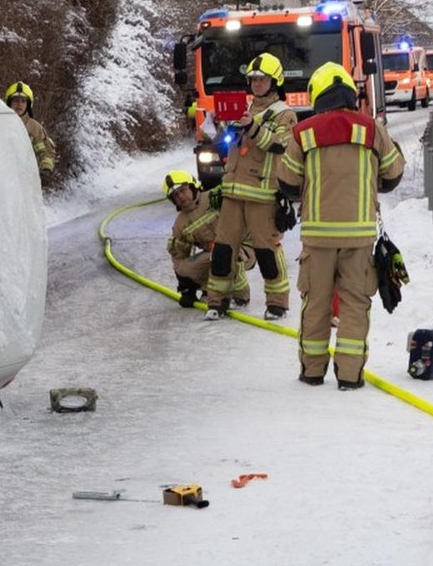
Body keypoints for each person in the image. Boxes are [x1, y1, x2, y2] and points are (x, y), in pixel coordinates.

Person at [277, 62, 405, 390]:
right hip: (359, 235)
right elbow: (392, 175)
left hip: (317, 236)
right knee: (355, 303)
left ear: (317, 95)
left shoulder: (302, 133)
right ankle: (349, 376)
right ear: (350, 92)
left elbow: (287, 182)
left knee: (316, 301)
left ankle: (312, 371)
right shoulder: (372, 129)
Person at [208, 53, 296, 321]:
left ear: (275, 81)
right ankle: (217, 301)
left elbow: (281, 145)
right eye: (253, 79)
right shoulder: (242, 111)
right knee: (223, 250)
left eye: (262, 79)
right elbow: (225, 144)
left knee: (266, 251)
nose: (257, 84)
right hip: (233, 192)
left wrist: (253, 128)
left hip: (263, 194)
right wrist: (218, 127)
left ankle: (277, 303)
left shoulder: (284, 114)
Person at [164, 170, 254, 311]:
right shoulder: (180, 225)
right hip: (214, 253)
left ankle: (240, 297)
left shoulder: (214, 197)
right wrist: (186, 289)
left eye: (183, 190)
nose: (181, 196)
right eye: (175, 195)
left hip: (244, 246)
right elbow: (178, 257)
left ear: (193, 186)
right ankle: (209, 289)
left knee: (226, 253)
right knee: (185, 269)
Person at [3, 82, 58, 182]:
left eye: (23, 101)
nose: (19, 104)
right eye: (15, 100)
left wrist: (46, 169)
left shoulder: (34, 128)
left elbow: (45, 151)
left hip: (25, 182)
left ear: (28, 104)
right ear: (9, 102)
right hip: (0, 180)